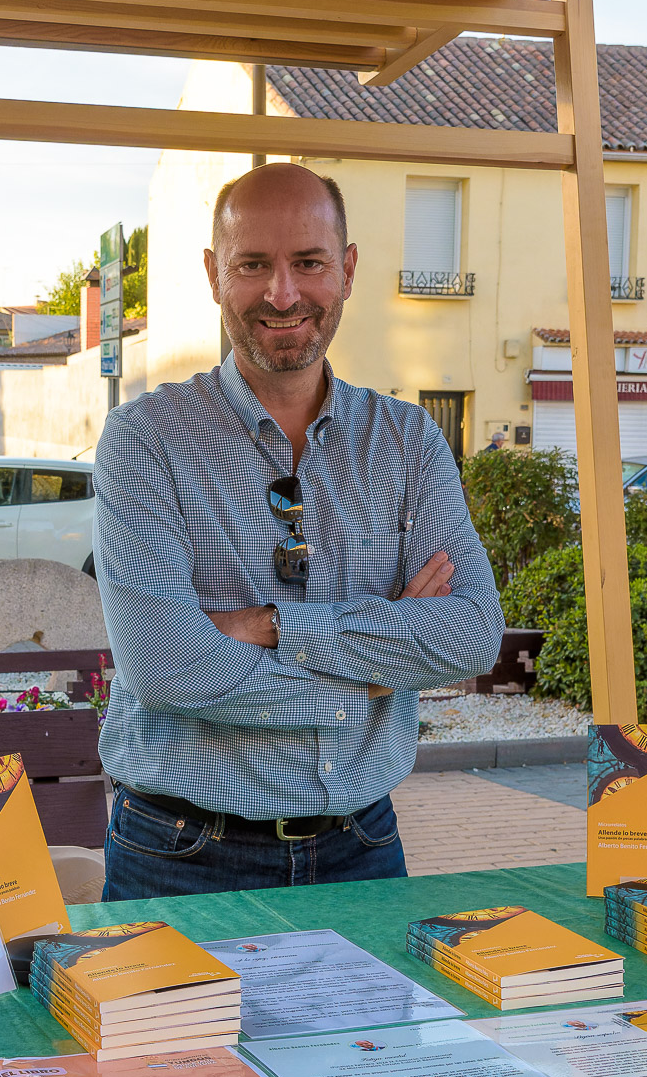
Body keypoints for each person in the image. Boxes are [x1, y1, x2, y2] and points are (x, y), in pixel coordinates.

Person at [93, 162, 504, 899]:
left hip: (362, 848)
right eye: (253, 264)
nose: (283, 294)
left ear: (347, 270)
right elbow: (163, 667)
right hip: (178, 856)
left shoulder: (409, 441)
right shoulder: (145, 439)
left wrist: (268, 626)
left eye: (309, 262)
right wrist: (375, 670)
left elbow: (471, 634)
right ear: (214, 274)